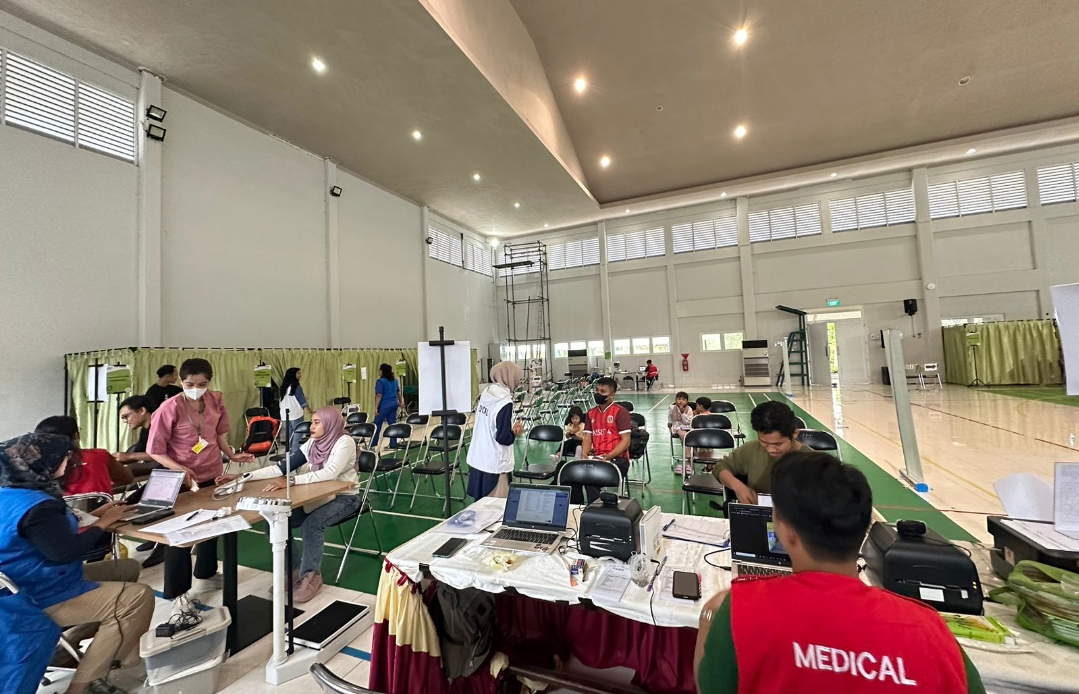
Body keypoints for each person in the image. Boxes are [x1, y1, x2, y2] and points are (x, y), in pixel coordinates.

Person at [695, 451, 986, 693]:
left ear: (785, 531)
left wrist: (709, 617)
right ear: (864, 529)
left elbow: (710, 686)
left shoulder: (742, 608)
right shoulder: (931, 631)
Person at [0, 432, 154, 694]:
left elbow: (47, 534)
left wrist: (97, 515)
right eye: (64, 457)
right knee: (137, 598)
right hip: (36, 595)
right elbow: (65, 552)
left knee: (126, 569)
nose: (69, 462)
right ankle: (83, 686)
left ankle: (71, 642)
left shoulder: (11, 493)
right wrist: (103, 524)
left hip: (25, 580)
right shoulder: (38, 506)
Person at [217, 406, 358, 603]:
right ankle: (293, 570)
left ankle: (312, 575)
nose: (311, 426)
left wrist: (291, 480)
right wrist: (243, 476)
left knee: (312, 524)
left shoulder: (345, 442)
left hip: (345, 497)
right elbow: (282, 467)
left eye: (317, 422)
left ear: (330, 424)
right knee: (274, 519)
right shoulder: (313, 443)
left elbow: (330, 473)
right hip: (317, 497)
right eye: (312, 422)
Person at [147, 358, 254, 601]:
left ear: (209, 382)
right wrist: (180, 469)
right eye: (189, 384)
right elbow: (155, 450)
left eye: (202, 384)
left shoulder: (215, 400)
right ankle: (177, 595)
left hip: (211, 472)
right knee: (180, 535)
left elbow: (218, 434)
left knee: (212, 524)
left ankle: (206, 572)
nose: (196, 389)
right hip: (180, 480)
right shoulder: (169, 408)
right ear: (181, 382)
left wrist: (231, 454)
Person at [712, 400, 807, 506]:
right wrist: (737, 486)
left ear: (794, 434)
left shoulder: (814, 463)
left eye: (778, 444)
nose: (770, 449)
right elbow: (720, 467)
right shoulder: (752, 449)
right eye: (764, 442)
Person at [115, 395, 166, 568]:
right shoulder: (145, 429)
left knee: (139, 502)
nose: (125, 421)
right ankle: (154, 539)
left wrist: (129, 456)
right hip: (160, 474)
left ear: (142, 410)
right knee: (128, 503)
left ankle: (163, 546)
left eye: (126, 416)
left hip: (173, 474)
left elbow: (163, 453)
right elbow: (141, 454)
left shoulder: (161, 425)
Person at [467, 361, 524, 500]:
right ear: (509, 377)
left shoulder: (487, 393)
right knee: (495, 507)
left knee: (480, 505)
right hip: (494, 462)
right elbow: (503, 437)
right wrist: (514, 433)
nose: (518, 382)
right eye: (517, 378)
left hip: (479, 457)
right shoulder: (504, 402)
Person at [35, 416, 133, 495]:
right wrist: (101, 489)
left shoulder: (37, 464)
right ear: (76, 436)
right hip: (103, 510)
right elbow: (127, 478)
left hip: (59, 513)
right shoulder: (99, 455)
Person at [579, 376, 632, 503]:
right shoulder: (590, 413)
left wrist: (609, 456)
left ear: (612, 395)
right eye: (597, 390)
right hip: (597, 458)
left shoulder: (620, 412)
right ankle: (578, 507)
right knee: (574, 476)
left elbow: (626, 441)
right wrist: (584, 453)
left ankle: (595, 508)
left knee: (590, 479)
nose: (598, 394)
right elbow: (587, 437)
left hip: (618, 460)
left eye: (603, 392)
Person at [371, 363, 405, 448]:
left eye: (379, 370)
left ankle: (372, 445)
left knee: (377, 424)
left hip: (385, 405)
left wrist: (376, 407)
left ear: (382, 371)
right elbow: (398, 392)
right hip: (394, 404)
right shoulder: (395, 381)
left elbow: (379, 395)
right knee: (392, 423)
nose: (378, 371)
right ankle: (393, 444)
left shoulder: (380, 381)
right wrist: (401, 402)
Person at [279, 367, 313, 451]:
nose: (300, 375)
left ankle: (290, 450)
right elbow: (302, 400)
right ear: (292, 374)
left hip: (284, 414)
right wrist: (309, 410)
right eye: (298, 373)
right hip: (295, 413)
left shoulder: (284, 387)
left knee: (289, 433)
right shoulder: (296, 387)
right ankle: (295, 451)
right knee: (298, 432)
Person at [668, 392, 694, 474]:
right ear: (675, 400)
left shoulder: (689, 409)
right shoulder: (672, 408)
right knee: (683, 434)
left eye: (683, 399)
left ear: (687, 401)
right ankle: (688, 456)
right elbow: (670, 416)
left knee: (693, 435)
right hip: (677, 428)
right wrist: (669, 422)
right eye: (679, 399)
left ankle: (693, 454)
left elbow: (688, 422)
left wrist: (683, 413)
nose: (681, 401)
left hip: (687, 427)